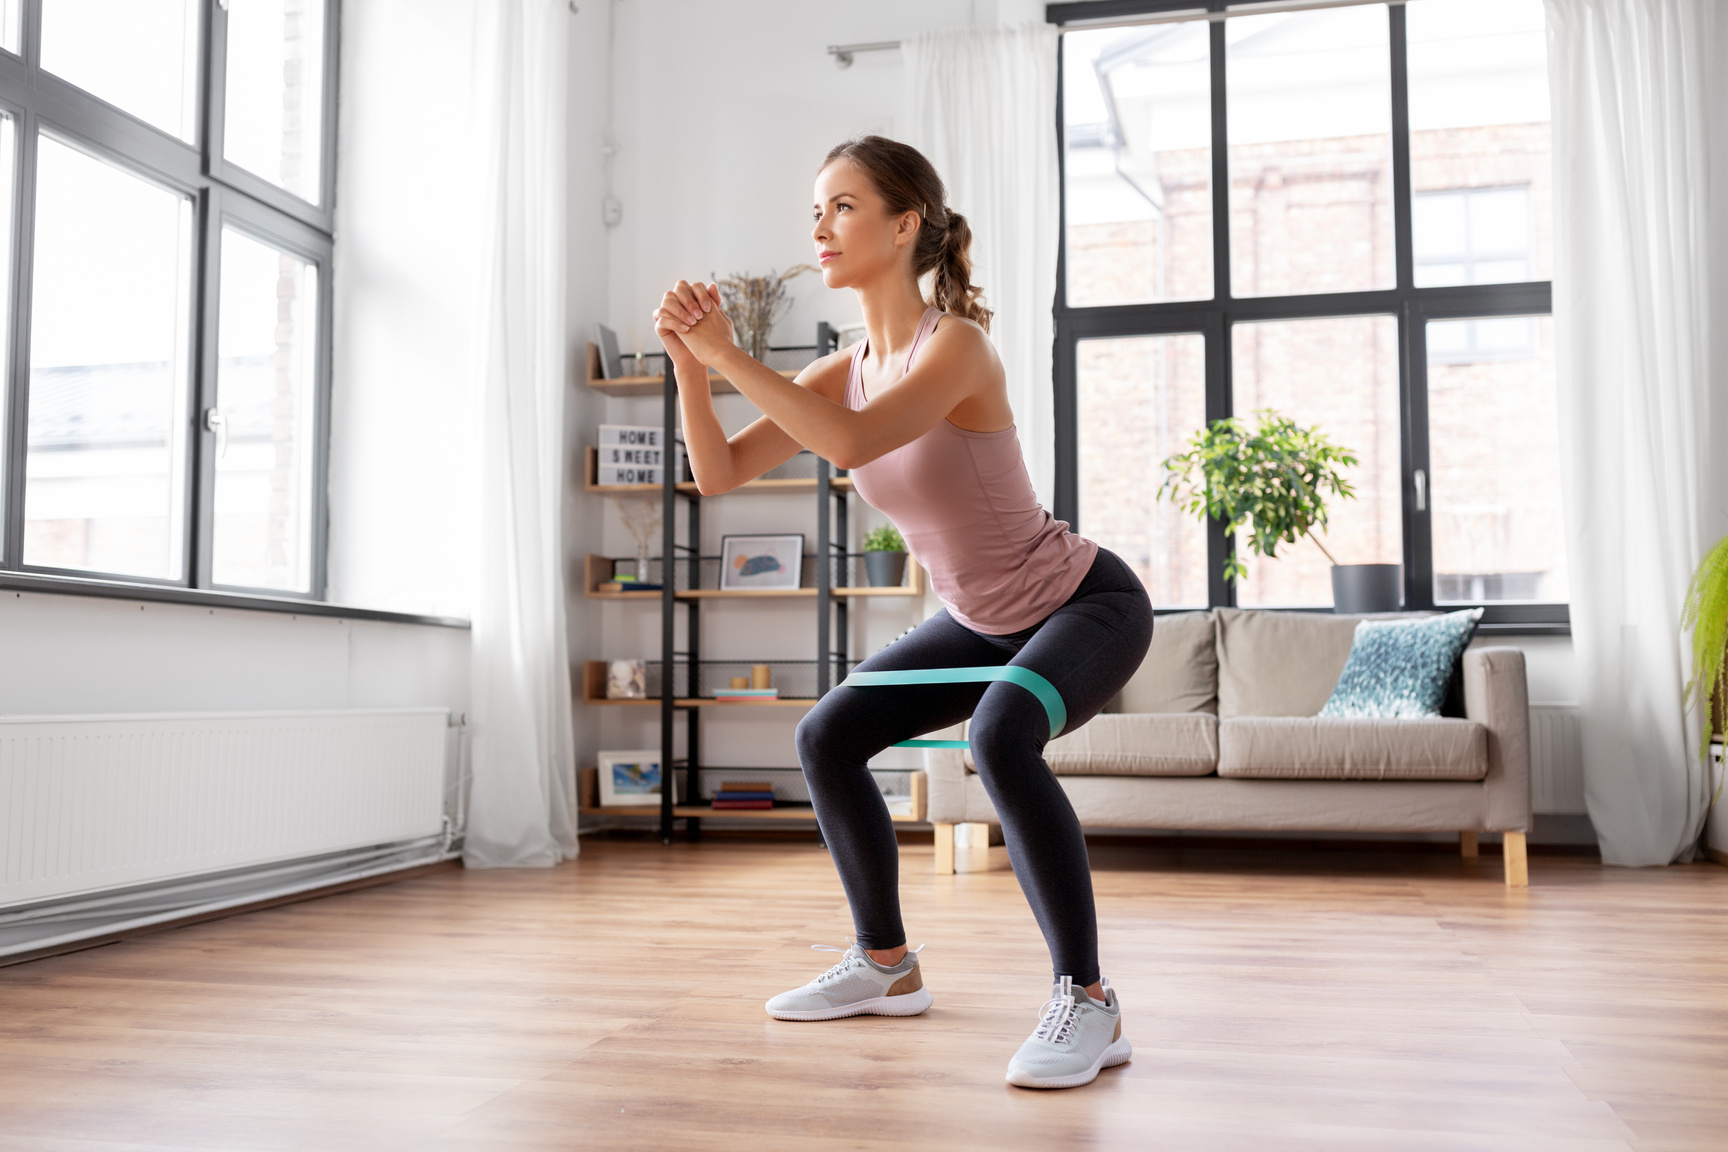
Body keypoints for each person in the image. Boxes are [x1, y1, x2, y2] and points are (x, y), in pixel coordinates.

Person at [651, 136, 1153, 1090]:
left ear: (904, 223)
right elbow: (715, 473)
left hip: (1084, 602)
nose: (820, 227)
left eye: (841, 206)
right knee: (828, 735)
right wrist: (688, 362)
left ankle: (1088, 1000)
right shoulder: (843, 367)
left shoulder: (956, 345)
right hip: (976, 620)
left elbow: (847, 443)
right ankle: (886, 964)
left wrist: (729, 354)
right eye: (816, 209)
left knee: (1001, 738)